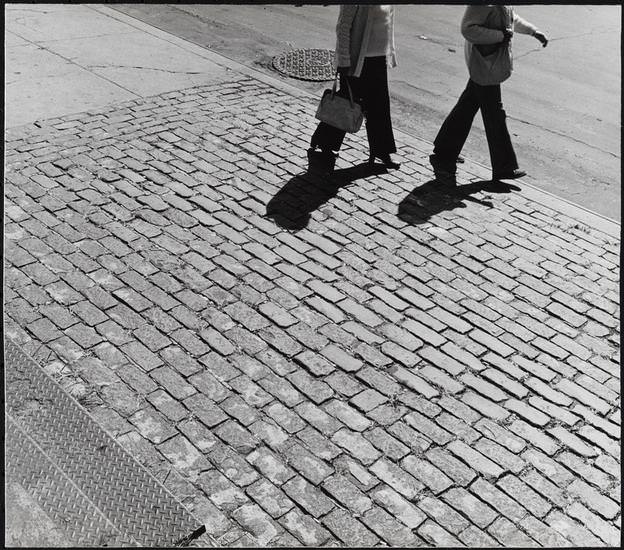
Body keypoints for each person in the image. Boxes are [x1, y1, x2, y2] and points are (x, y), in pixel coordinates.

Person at [430, 5, 548, 185]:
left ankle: (444, 152)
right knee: (495, 114)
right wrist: (500, 36)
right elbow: (468, 29)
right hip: (484, 63)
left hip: (488, 63)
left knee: (467, 106)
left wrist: (533, 32)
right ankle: (504, 167)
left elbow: (510, 17)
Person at [310, 4, 401, 170]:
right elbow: (343, 27)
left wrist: (389, 53)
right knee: (346, 103)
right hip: (357, 60)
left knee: (380, 106)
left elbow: (387, 23)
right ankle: (325, 144)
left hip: (378, 58)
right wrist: (344, 60)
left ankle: (381, 151)